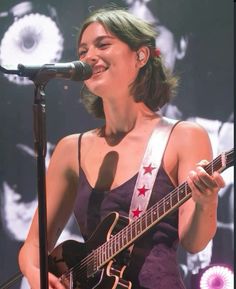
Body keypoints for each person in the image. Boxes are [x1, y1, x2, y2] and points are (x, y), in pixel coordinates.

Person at [18, 7, 225, 289]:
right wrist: (38, 277)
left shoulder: (184, 137)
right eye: (82, 51)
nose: (89, 56)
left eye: (103, 44)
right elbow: (33, 247)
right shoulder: (71, 149)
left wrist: (206, 201)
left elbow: (194, 242)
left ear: (140, 56)